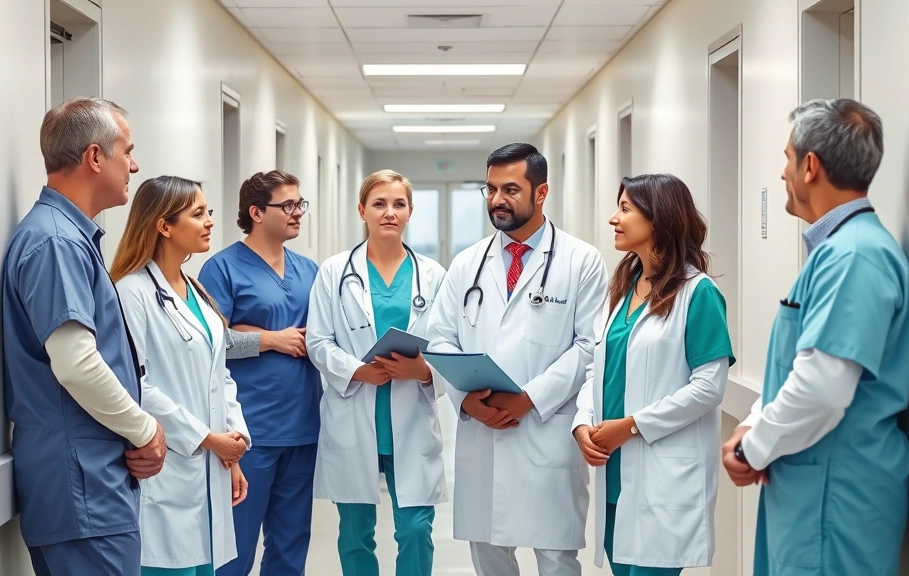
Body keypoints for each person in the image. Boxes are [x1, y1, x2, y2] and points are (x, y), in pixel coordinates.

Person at [722, 98, 909, 576]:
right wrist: (752, 423)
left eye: (787, 159)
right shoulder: (840, 250)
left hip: (836, 499)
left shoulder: (854, 256)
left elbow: (823, 386)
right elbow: (795, 365)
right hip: (816, 493)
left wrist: (753, 446)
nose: (783, 172)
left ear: (811, 166)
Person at [425, 143, 609, 576]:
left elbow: (589, 346)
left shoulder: (582, 262)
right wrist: (465, 400)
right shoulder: (467, 263)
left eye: (510, 189)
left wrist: (529, 398)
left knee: (557, 557)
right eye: (490, 189)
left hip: (547, 429)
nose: (497, 200)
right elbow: (440, 339)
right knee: (488, 555)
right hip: (482, 433)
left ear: (540, 193)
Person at [2, 96, 166, 576]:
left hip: (88, 477)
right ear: (95, 157)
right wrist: (145, 430)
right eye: (127, 151)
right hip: (82, 484)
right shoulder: (56, 241)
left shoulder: (68, 236)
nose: (134, 165)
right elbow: (76, 362)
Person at [573, 174, 734, 575]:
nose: (614, 218)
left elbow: (708, 387)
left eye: (625, 209)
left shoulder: (698, 294)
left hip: (661, 475)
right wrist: (582, 423)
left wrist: (631, 427)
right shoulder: (623, 287)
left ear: (658, 220)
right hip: (615, 471)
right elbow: (597, 366)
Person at [306, 169, 449, 576]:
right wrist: (357, 372)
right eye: (379, 204)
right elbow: (318, 342)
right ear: (362, 211)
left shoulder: (433, 276)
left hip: (412, 419)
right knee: (354, 533)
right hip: (354, 415)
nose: (390, 212)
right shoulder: (334, 272)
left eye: (398, 204)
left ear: (410, 212)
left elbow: (445, 346)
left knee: (417, 530)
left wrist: (424, 371)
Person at [110, 176, 252, 575]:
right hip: (168, 473)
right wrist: (209, 440)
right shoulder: (131, 293)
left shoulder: (194, 291)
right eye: (198, 214)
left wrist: (232, 447)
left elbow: (219, 377)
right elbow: (136, 386)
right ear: (164, 226)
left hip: (210, 468)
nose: (209, 222)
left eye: (208, 212)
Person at [199, 170, 321, 576]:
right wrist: (271, 339)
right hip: (249, 431)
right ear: (255, 212)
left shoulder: (310, 271)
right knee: (235, 548)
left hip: (303, 425)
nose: (298, 212)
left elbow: (320, 338)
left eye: (300, 204)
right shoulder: (223, 269)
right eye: (288, 205)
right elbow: (212, 343)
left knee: (291, 547)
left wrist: (253, 330)